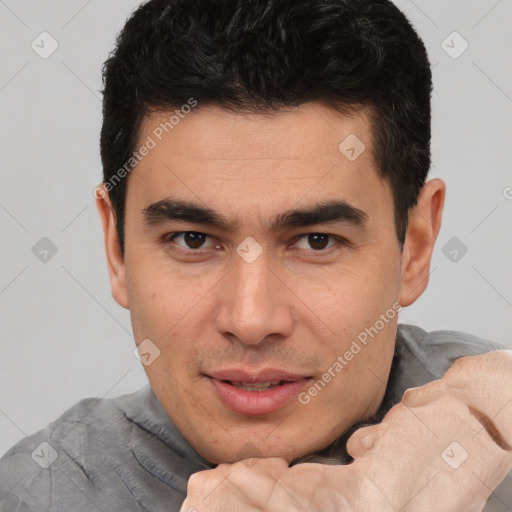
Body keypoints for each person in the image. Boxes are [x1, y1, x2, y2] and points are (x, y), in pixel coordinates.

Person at [1, 0, 511, 510]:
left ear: (415, 247)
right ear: (117, 249)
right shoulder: (34, 493)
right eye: (193, 240)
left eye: (316, 241)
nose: (250, 320)